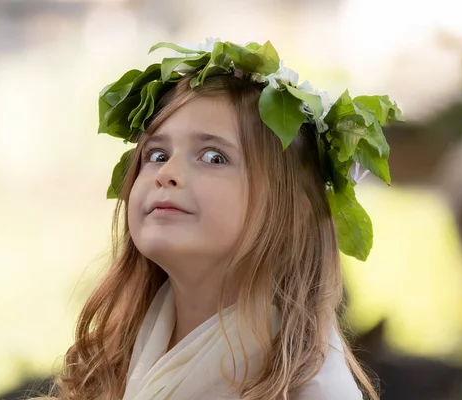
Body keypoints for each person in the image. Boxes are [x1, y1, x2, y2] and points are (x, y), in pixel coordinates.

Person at [38, 39, 401, 400]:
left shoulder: (309, 388)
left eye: (213, 157)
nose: (168, 173)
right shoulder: (120, 350)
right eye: (158, 154)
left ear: (293, 214)